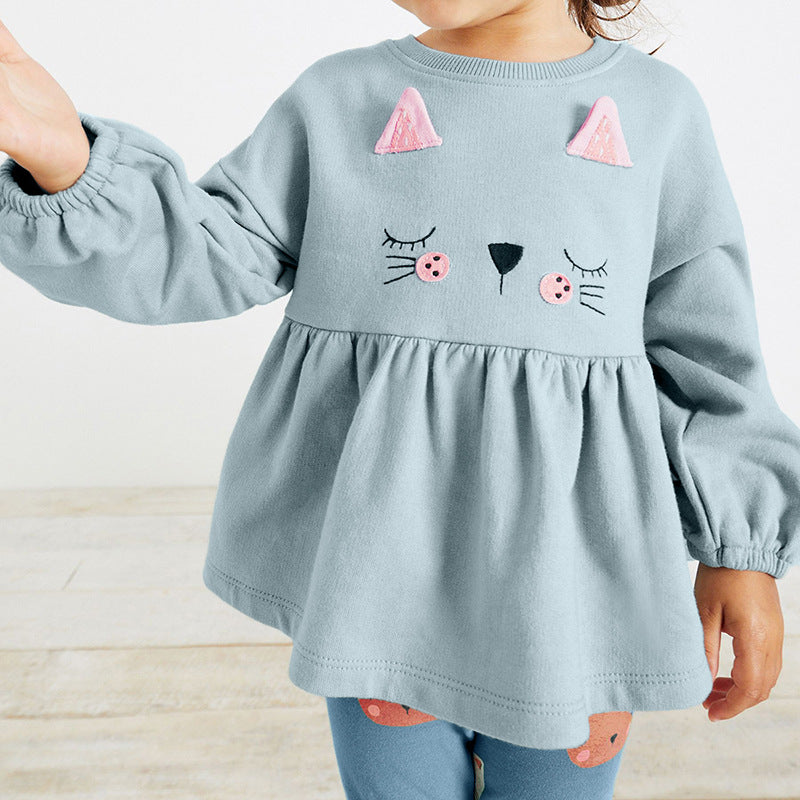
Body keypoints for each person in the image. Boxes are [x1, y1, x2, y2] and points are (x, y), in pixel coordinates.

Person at [0, 0, 796, 797]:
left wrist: (741, 548)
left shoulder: (656, 112)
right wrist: (69, 164)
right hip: (380, 583)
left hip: (574, 603)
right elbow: (205, 252)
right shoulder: (341, 100)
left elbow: (705, 348)